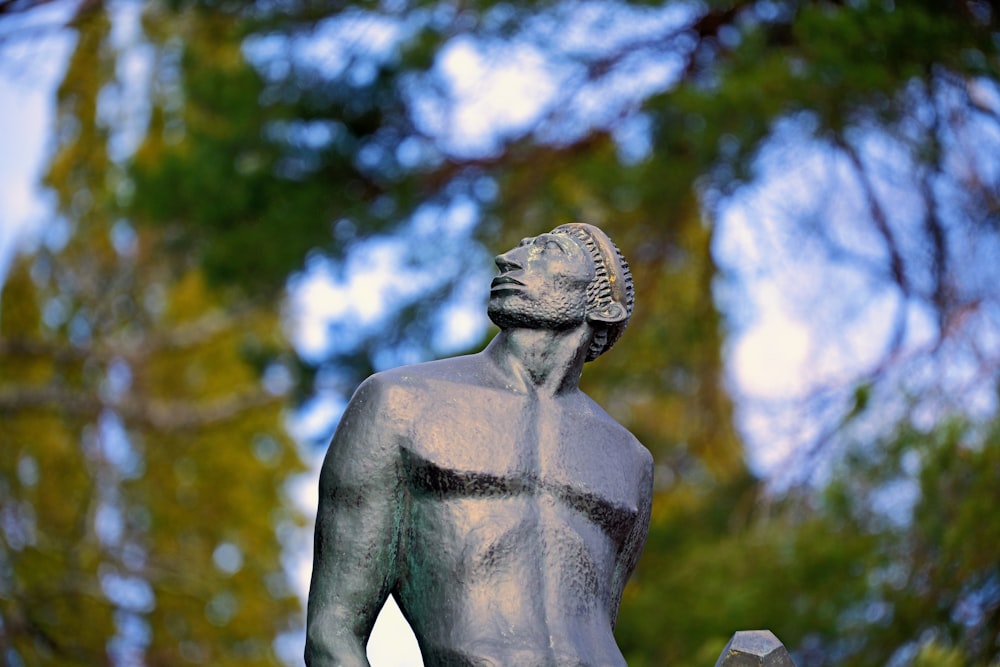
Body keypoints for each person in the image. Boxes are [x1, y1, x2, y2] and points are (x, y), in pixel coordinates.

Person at [305, 223, 654, 667]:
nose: (508, 257)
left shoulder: (628, 459)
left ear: (603, 308)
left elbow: (601, 619)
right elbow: (333, 632)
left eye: (548, 251)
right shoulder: (402, 403)